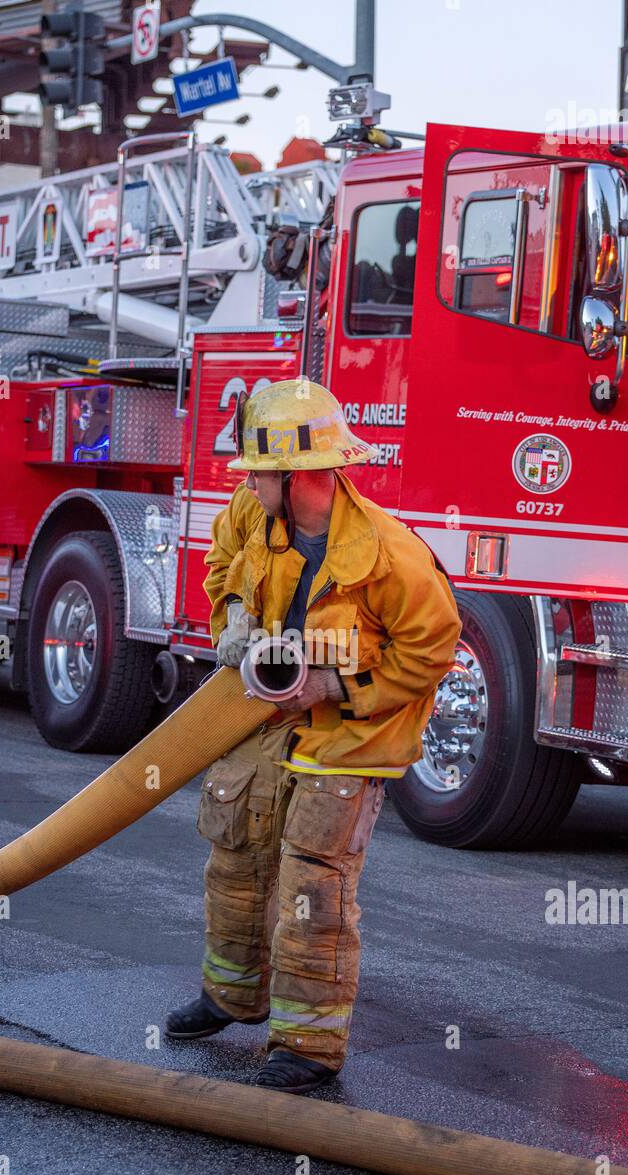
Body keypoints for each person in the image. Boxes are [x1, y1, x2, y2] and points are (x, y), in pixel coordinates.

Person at [164, 378, 461, 1093]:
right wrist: (233, 615)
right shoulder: (252, 511)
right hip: (267, 713)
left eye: (258, 473)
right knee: (236, 847)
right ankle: (233, 994)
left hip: (348, 734)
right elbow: (221, 567)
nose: (247, 485)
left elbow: (432, 650)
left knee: (312, 883)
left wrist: (333, 687)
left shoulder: (390, 555)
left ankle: (307, 1044)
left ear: (297, 478)